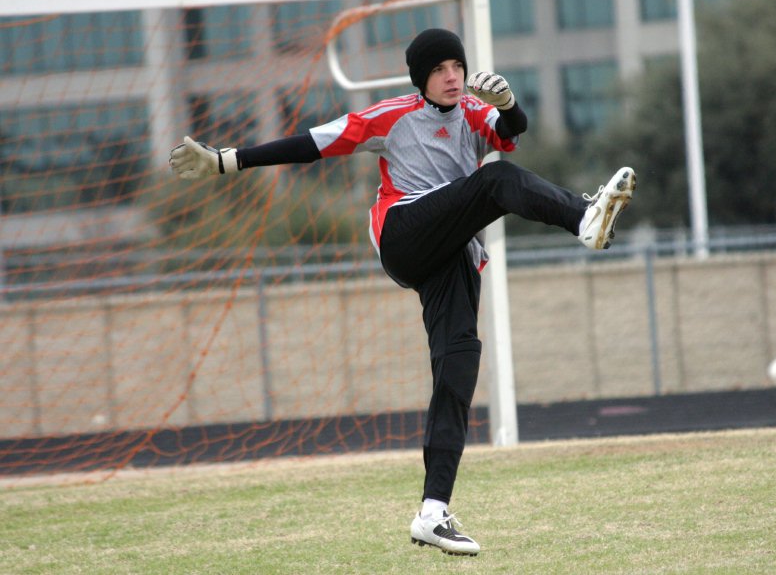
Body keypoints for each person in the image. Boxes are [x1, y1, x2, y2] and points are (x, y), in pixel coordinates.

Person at [169, 28, 635, 556]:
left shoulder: (475, 115)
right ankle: (584, 217)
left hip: (451, 252)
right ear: (421, 78)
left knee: (458, 368)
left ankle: (433, 513)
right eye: (439, 69)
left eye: (456, 65)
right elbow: (312, 144)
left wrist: (508, 104)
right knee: (496, 181)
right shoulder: (391, 116)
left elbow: (511, 130)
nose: (452, 75)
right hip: (404, 232)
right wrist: (227, 160)